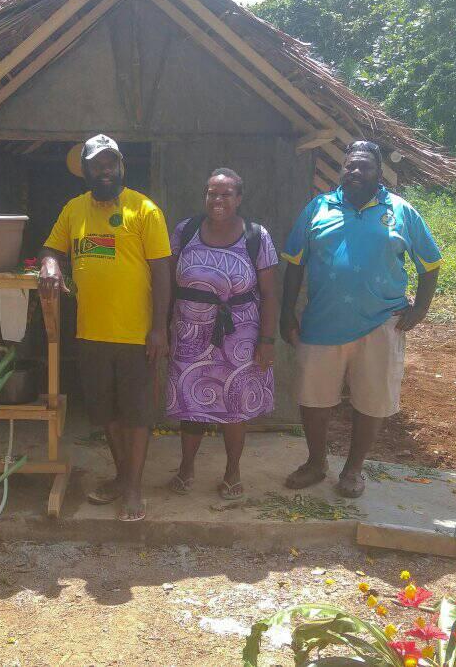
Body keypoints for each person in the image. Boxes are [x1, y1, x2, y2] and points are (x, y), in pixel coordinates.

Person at [280, 140, 441, 498]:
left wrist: (421, 309)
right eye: (349, 165)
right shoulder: (318, 208)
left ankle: (353, 469)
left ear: (378, 172)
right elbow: (294, 263)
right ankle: (316, 462)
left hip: (381, 322)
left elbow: (430, 263)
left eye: (364, 166)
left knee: (371, 400)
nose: (354, 172)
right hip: (321, 322)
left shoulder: (400, 211)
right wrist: (286, 311)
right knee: (313, 398)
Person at [38, 134, 171, 522]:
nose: (105, 169)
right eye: (97, 164)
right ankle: (123, 475)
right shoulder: (74, 210)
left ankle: (132, 488)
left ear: (121, 165)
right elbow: (51, 248)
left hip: (135, 333)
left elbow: (163, 272)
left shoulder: (144, 210)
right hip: (90, 332)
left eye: (111, 162)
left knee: (138, 414)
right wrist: (49, 264)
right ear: (86, 170)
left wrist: (159, 328)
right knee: (106, 412)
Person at [166, 168, 279, 500]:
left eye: (225, 194)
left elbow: (271, 294)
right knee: (189, 403)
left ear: (239, 199)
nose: (217, 199)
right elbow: (167, 284)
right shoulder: (185, 231)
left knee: (235, 404)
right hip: (189, 335)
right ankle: (186, 467)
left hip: (239, 336)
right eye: (211, 193)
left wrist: (267, 342)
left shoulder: (257, 236)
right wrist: (162, 326)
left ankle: (232, 471)